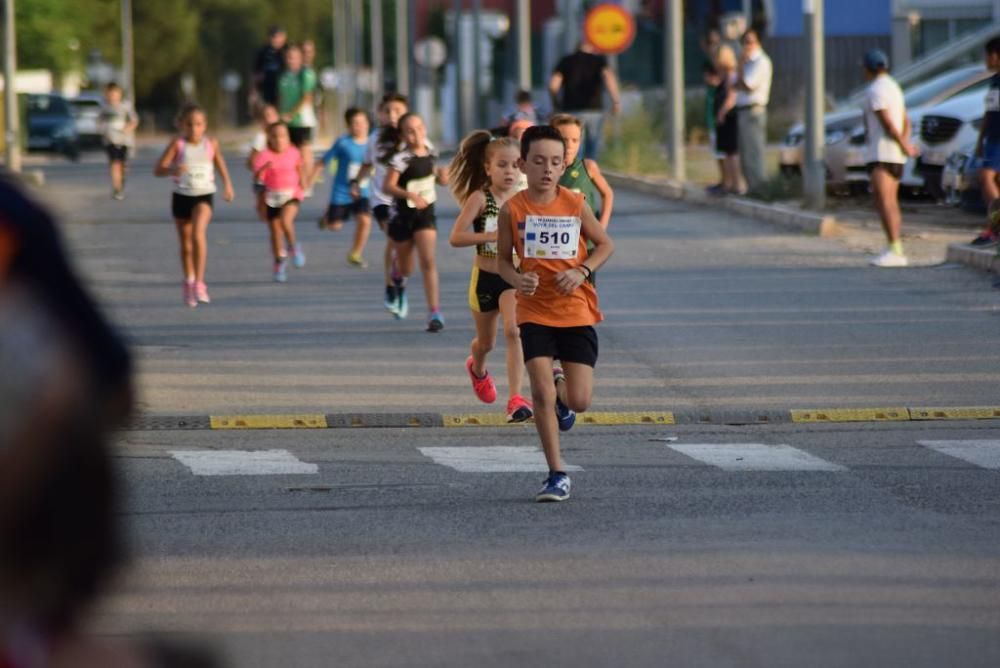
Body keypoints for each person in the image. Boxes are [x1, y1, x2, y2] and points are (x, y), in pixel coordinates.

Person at [496, 126, 614, 502]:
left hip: (576, 309)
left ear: (564, 166)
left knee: (579, 401)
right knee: (541, 393)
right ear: (522, 164)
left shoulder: (576, 203)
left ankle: (565, 394)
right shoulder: (512, 209)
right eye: (538, 161)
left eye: (555, 162)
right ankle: (556, 473)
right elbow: (501, 261)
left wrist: (581, 270)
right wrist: (517, 279)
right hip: (534, 310)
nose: (547, 169)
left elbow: (605, 244)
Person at [448, 131, 533, 423]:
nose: (509, 171)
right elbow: (455, 237)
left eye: (514, 165)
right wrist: (491, 235)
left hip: (512, 276)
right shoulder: (480, 198)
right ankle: (477, 367)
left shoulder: (525, 198)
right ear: (488, 168)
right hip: (484, 278)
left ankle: (516, 399)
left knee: (514, 331)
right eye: (502, 165)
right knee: (486, 343)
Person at [153, 104, 235, 307]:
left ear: (205, 126)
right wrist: (173, 169)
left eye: (198, 124)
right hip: (182, 196)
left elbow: (219, 163)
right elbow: (158, 170)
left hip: (203, 195)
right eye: (189, 124)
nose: (194, 129)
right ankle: (188, 281)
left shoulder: (211, 144)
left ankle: (199, 282)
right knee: (186, 245)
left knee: (198, 234)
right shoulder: (177, 144)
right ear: (181, 125)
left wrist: (228, 185)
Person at [381, 112, 449, 331]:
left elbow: (434, 179)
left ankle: (434, 312)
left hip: (426, 214)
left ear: (425, 129)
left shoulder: (431, 152)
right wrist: (410, 196)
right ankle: (397, 274)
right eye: (410, 131)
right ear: (402, 135)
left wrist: (442, 178)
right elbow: (387, 187)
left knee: (428, 260)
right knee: (406, 267)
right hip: (402, 216)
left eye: (419, 128)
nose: (416, 134)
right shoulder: (401, 159)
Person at [860, 49, 918, 268]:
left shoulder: (875, 90)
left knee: (884, 202)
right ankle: (892, 246)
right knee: (890, 202)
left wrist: (904, 145)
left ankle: (895, 249)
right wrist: (905, 145)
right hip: (895, 155)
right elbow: (906, 120)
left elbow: (886, 122)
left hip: (881, 152)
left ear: (867, 68)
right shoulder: (894, 87)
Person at [358, 93, 409, 313]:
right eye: (387, 111)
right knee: (394, 240)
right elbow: (367, 165)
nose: (392, 115)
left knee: (404, 246)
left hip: (408, 200)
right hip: (382, 199)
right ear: (380, 113)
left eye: (397, 110)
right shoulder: (375, 138)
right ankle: (392, 286)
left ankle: (399, 280)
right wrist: (355, 182)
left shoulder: (414, 134)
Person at [317, 107, 373, 267]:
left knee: (365, 220)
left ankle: (355, 253)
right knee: (335, 227)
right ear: (349, 126)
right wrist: (311, 177)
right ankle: (328, 217)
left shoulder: (372, 143)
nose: (360, 126)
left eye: (363, 123)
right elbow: (323, 161)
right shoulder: (343, 143)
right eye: (356, 123)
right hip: (341, 192)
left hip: (362, 192)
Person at [548, 41, 622, 161]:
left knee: (573, 145)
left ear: (576, 48)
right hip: (594, 110)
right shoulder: (599, 61)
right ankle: (589, 173)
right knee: (592, 146)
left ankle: (575, 173)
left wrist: (555, 105)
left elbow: (553, 86)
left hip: (571, 110)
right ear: (592, 48)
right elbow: (609, 78)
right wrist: (616, 102)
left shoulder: (566, 61)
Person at [253, 121, 308, 282]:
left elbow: (299, 168)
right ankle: (279, 262)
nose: (279, 140)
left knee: (286, 221)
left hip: (292, 195)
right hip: (271, 198)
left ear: (288, 137)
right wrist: (263, 171)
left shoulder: (293, 152)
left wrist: (304, 182)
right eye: (275, 136)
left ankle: (293, 247)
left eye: (283, 136)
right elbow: (257, 180)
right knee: (275, 233)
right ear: (269, 138)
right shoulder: (264, 156)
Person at [550, 114, 614, 233]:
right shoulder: (542, 169)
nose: (570, 145)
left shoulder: (587, 167)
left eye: (575, 140)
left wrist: (601, 227)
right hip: (554, 241)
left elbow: (607, 194)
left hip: (586, 243)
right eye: (564, 139)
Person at [734, 28, 773, 196]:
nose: (747, 45)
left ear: (758, 42)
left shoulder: (761, 62)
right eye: (744, 42)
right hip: (743, 110)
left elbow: (748, 86)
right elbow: (736, 85)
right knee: (745, 153)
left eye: (750, 41)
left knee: (754, 152)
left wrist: (740, 68)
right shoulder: (748, 62)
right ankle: (751, 188)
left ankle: (760, 189)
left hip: (754, 111)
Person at [971, 37, 1000, 247]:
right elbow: (988, 113)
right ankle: (993, 228)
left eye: (987, 55)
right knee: (993, 180)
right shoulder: (994, 81)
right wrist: (980, 140)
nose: (986, 60)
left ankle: (996, 227)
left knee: (986, 177)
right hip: (992, 138)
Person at [278, 43, 318, 190]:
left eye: (294, 57)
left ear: (300, 58)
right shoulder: (283, 76)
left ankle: (307, 183)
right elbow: (281, 97)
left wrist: (291, 114)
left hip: (302, 120)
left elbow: (306, 97)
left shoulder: (305, 74)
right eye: (288, 57)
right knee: (290, 152)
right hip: (286, 121)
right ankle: (293, 181)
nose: (291, 60)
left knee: (304, 150)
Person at [98, 82, 138, 201]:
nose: (112, 97)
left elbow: (134, 120)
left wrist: (127, 129)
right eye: (110, 94)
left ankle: (121, 178)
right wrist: (102, 130)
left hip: (124, 140)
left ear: (120, 94)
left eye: (115, 94)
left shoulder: (125, 106)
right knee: (114, 163)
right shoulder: (104, 108)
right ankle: (117, 188)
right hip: (110, 140)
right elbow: (99, 122)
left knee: (121, 165)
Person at [713, 45, 743, 195]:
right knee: (726, 152)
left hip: (730, 117)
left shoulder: (732, 75)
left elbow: (732, 96)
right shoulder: (723, 76)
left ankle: (736, 184)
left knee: (732, 151)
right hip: (724, 119)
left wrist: (722, 112)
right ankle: (728, 183)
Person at [247, 103, 281, 223]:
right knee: (262, 202)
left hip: (278, 178)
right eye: (265, 116)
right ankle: (265, 216)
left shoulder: (282, 136)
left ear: (277, 117)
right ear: (261, 121)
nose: (268, 119)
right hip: (262, 178)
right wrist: (259, 168)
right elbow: (251, 161)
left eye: (271, 115)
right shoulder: (260, 137)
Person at [252, 25, 287, 108]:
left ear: (284, 37)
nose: (276, 40)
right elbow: (256, 73)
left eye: (279, 37)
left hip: (284, 89)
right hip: (266, 89)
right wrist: (254, 90)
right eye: (274, 37)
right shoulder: (263, 52)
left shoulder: (287, 51)